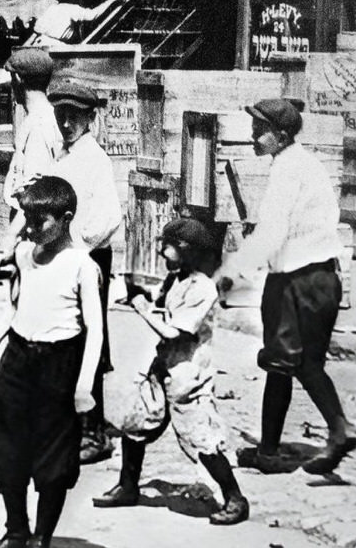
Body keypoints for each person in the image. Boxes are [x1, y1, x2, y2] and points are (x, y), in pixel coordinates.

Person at [0, 176, 104, 548]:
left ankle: (40, 544)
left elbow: (95, 331)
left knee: (51, 460)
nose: (29, 228)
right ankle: (15, 533)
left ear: (65, 219)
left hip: (58, 366)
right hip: (18, 359)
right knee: (7, 447)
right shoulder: (26, 254)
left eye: (39, 220)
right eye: (25, 218)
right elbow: (14, 309)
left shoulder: (82, 265)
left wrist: (83, 386)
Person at [217, 98, 356, 475]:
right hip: (326, 278)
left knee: (280, 364)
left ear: (280, 136)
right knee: (309, 364)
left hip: (294, 280)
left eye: (259, 130)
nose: (253, 135)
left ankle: (270, 451)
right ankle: (336, 430)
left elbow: (273, 232)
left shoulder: (285, 170)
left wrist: (231, 272)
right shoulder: (309, 164)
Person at [95, 218, 249, 525]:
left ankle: (235, 498)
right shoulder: (177, 280)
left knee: (201, 438)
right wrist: (136, 292)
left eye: (167, 247)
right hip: (163, 367)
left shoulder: (203, 288)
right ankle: (127, 486)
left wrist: (140, 308)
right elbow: (161, 303)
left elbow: (173, 332)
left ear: (186, 250)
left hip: (187, 375)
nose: (162, 253)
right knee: (136, 424)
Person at [44, 81, 123, 463]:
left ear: (90, 118)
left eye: (74, 116)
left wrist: (76, 249)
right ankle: (77, 423)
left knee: (89, 341)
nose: (66, 123)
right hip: (68, 259)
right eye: (61, 115)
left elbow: (108, 218)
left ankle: (95, 433)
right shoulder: (64, 155)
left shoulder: (95, 159)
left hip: (87, 259)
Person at [2, 48, 61, 238]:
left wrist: (9, 239)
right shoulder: (46, 117)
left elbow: (33, 195)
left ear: (18, 79)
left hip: (32, 228)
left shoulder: (38, 125)